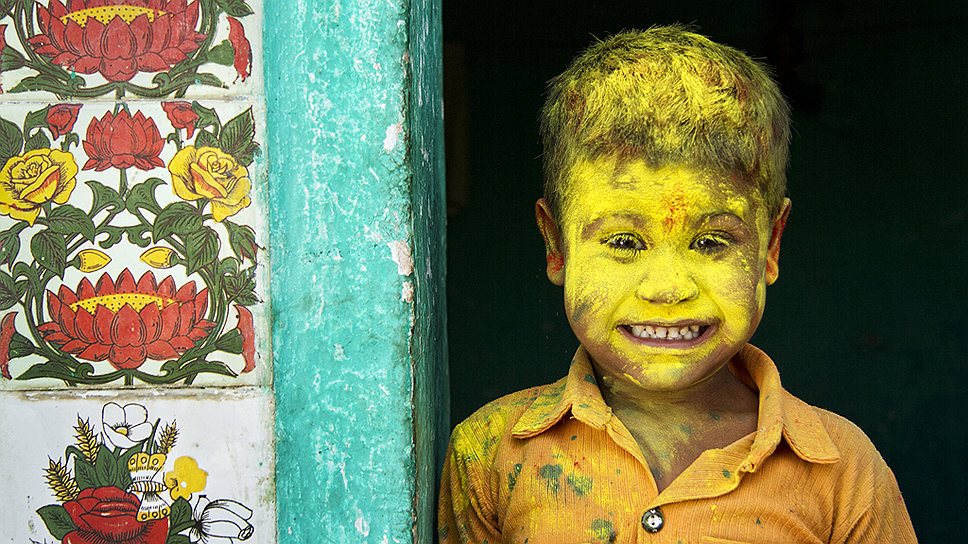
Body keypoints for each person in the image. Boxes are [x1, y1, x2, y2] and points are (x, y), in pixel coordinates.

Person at [437, 26, 917, 543]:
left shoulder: (840, 470)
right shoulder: (491, 454)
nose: (667, 289)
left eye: (711, 242)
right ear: (556, 245)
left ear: (770, 247)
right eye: (623, 242)